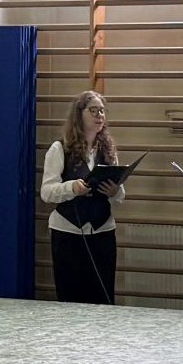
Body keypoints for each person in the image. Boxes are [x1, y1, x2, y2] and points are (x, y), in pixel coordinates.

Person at [41, 91, 124, 305]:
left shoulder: (108, 150)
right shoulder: (60, 148)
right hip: (68, 233)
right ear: (79, 114)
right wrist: (72, 188)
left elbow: (120, 194)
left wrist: (115, 191)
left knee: (102, 297)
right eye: (93, 110)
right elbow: (47, 192)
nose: (99, 115)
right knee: (71, 297)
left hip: (103, 231)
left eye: (102, 111)